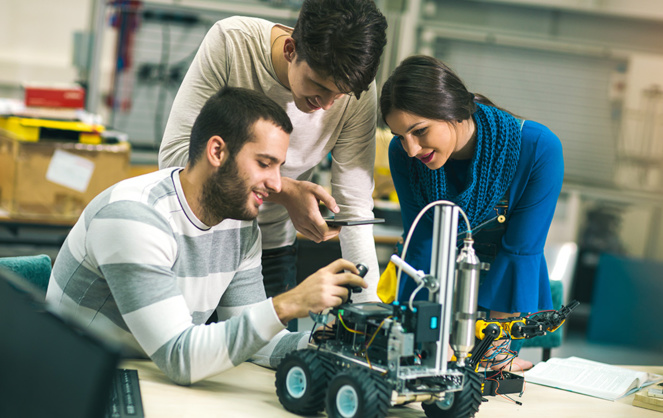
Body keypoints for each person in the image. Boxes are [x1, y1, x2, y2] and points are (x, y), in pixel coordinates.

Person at [45, 87, 367, 385]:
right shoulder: (134, 217)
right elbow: (180, 357)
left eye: (279, 167)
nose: (278, 184)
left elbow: (257, 342)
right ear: (217, 152)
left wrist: (326, 340)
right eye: (265, 164)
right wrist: (291, 303)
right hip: (72, 382)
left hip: (144, 376)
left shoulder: (239, 224)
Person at [159, 0, 388, 303]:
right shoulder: (233, 44)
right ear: (290, 49)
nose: (327, 104)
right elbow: (176, 157)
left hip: (271, 249)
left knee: (275, 350)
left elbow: (355, 207)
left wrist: (367, 307)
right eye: (318, 85)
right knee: (195, 348)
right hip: (198, 240)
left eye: (340, 94)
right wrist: (286, 191)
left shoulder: (357, 88)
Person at [379, 56, 564, 370]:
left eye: (419, 131)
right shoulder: (403, 155)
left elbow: (519, 251)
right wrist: (416, 335)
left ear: (452, 110)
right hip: (432, 293)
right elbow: (421, 241)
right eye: (400, 136)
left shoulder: (537, 149)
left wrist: (495, 349)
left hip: (498, 309)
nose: (410, 149)